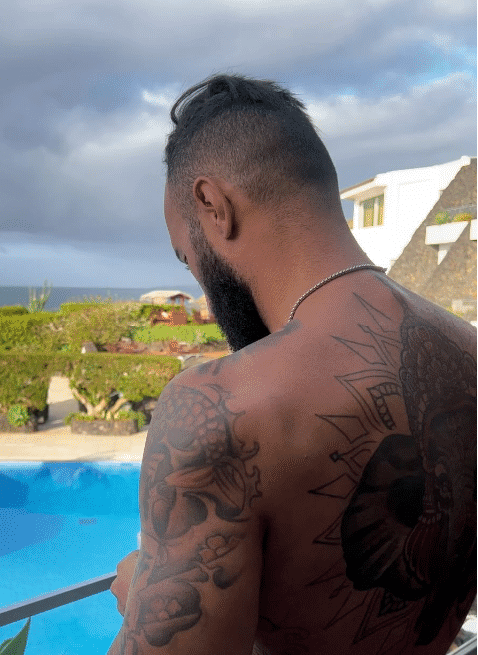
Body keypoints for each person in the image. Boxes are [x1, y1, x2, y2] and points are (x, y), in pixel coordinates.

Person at [107, 73, 476, 654]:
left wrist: (142, 606)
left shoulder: (223, 405)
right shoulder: (469, 348)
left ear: (212, 205)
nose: (202, 289)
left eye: (188, 259)